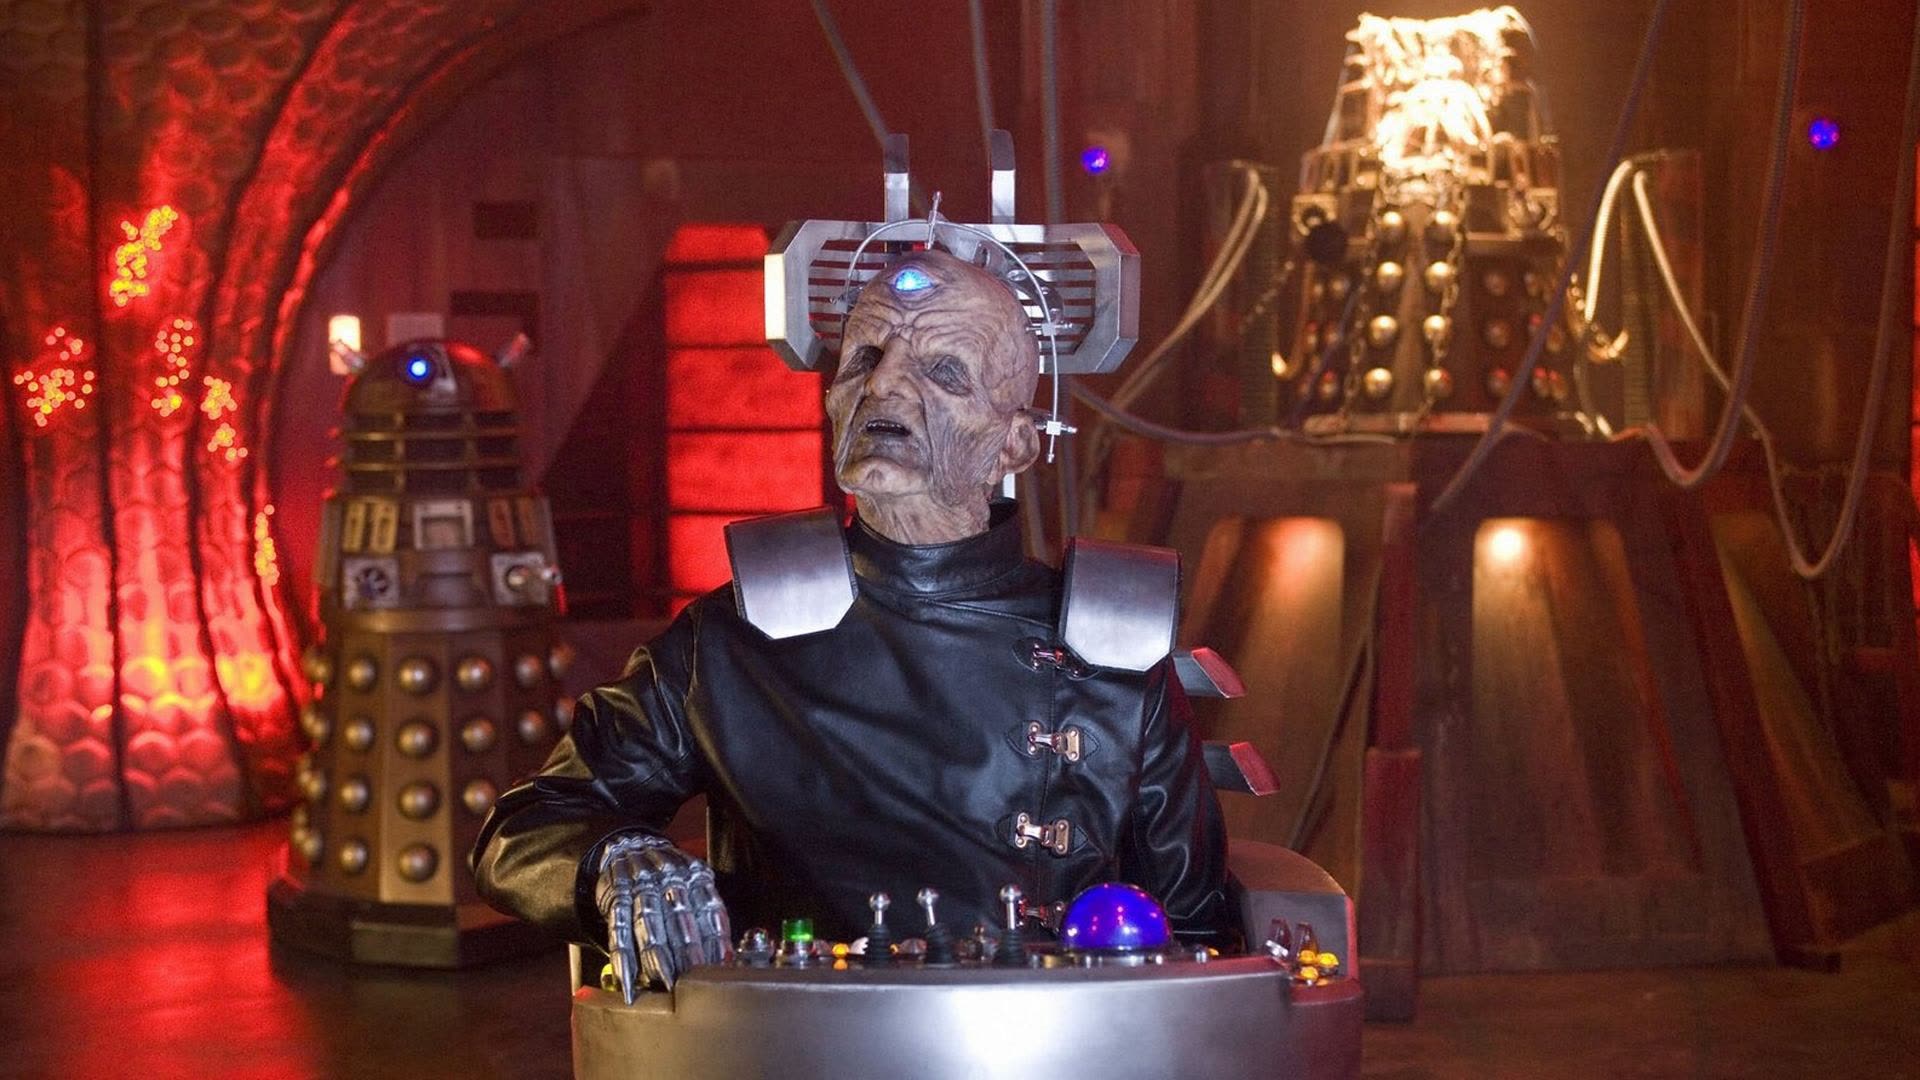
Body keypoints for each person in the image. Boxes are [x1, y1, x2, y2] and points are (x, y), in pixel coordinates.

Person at [471, 248, 1230, 995]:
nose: (885, 384)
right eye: (864, 357)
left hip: (1045, 1045)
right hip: (788, 1042)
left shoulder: (1108, 643)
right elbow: (523, 831)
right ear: (831, 400)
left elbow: (1198, 936)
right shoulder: (732, 639)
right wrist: (616, 861)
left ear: (1016, 443)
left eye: (944, 371)